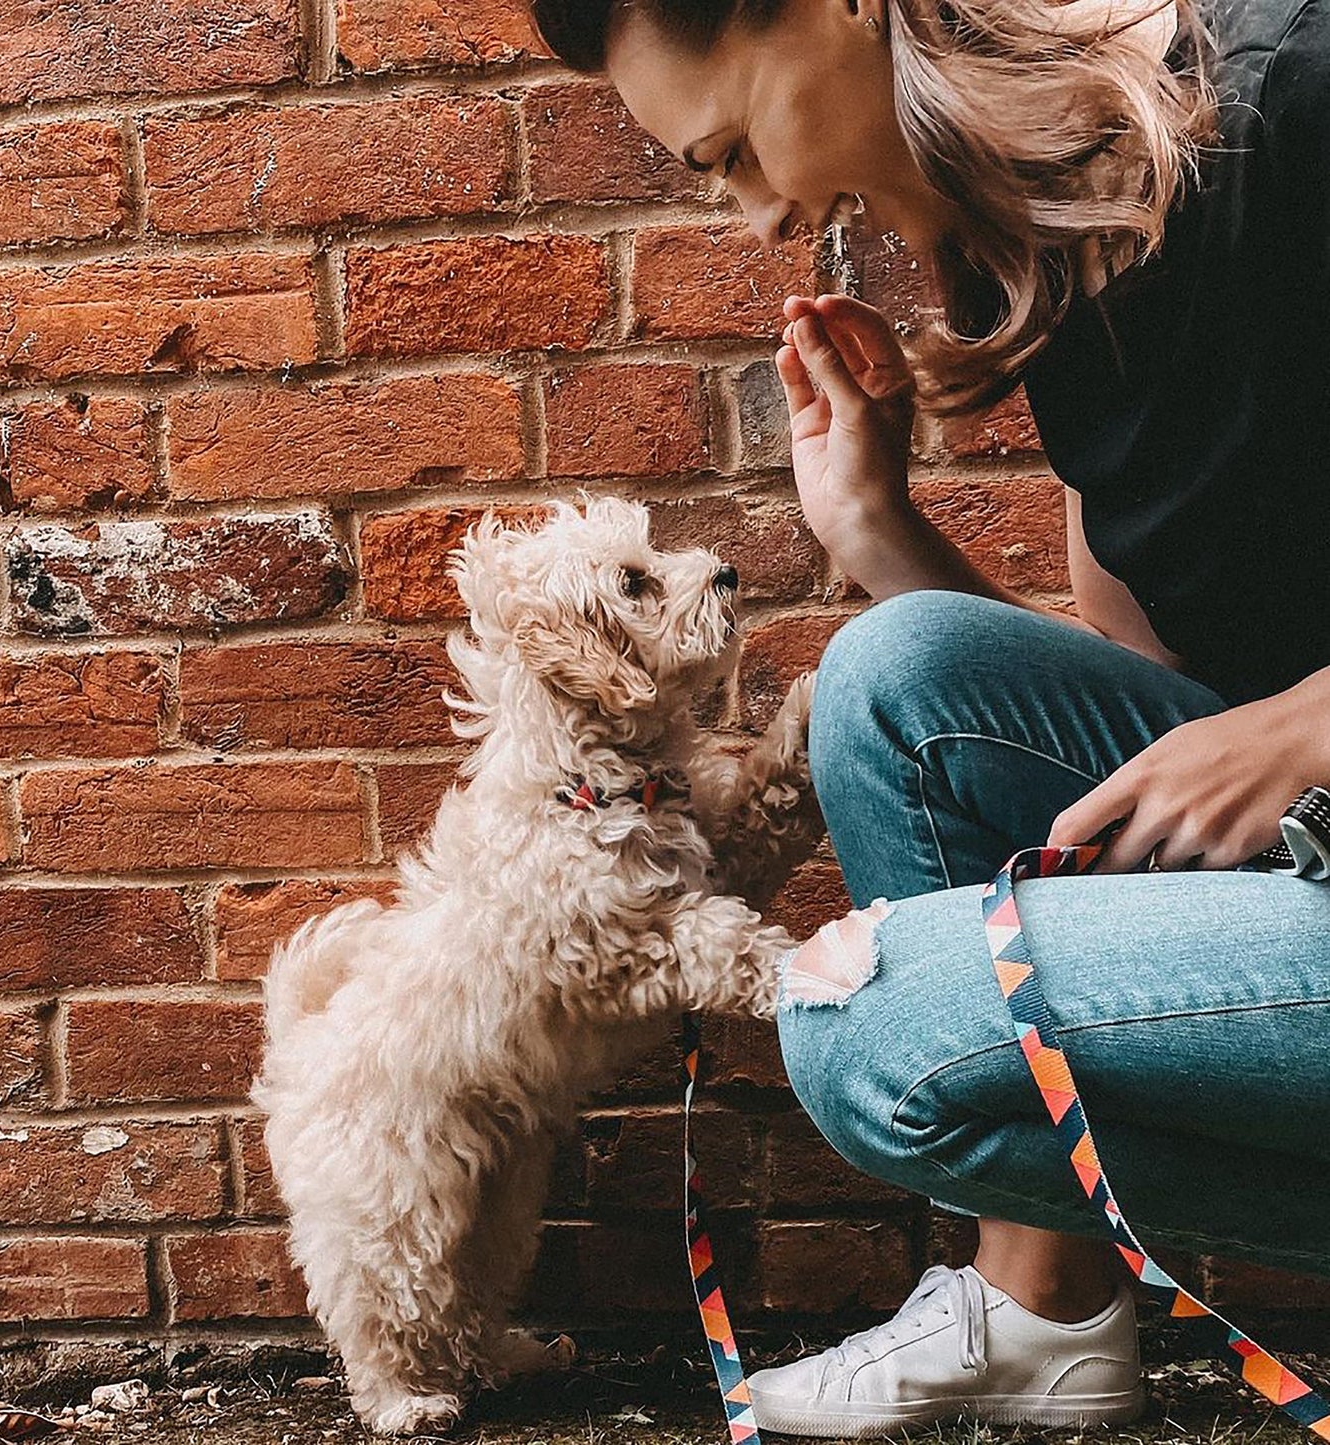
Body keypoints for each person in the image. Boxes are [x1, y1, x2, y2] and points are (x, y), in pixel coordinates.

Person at [531, 0, 1330, 1434]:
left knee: (869, 1025)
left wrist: (1314, 720)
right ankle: (1047, 1314)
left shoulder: (1298, 98)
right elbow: (1164, 709)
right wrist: (873, 522)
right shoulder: (1058, 251)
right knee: (892, 671)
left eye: (730, 152)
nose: (758, 216)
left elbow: (1257, 735)